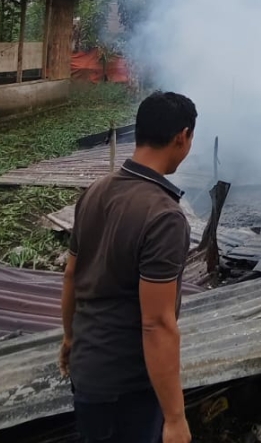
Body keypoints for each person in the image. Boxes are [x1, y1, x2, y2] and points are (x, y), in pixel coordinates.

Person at [60, 91, 197, 443]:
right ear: (182, 137)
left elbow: (72, 276)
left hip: (87, 371)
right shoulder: (164, 217)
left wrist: (70, 337)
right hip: (127, 386)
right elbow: (157, 323)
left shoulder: (95, 191)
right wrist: (175, 417)